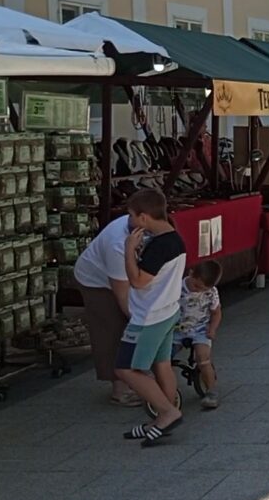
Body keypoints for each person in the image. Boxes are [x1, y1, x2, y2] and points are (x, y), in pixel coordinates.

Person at [116, 189, 187, 447]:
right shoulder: (174, 238)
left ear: (144, 217)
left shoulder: (159, 246)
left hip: (149, 317)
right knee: (162, 364)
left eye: (132, 215)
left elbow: (138, 281)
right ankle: (163, 418)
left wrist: (128, 250)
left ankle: (167, 412)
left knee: (126, 368)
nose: (130, 221)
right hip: (168, 310)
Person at [75, 210, 141, 406]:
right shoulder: (118, 245)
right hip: (95, 281)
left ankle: (134, 378)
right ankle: (120, 390)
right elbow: (122, 295)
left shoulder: (140, 226)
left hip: (119, 275)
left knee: (126, 325)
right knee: (112, 328)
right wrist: (139, 321)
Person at [175, 260, 223, 410]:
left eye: (203, 289)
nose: (198, 291)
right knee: (163, 358)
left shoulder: (211, 292)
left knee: (203, 358)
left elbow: (216, 313)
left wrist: (212, 329)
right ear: (190, 273)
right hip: (177, 328)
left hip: (200, 328)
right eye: (196, 286)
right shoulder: (176, 287)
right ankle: (168, 387)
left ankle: (211, 391)